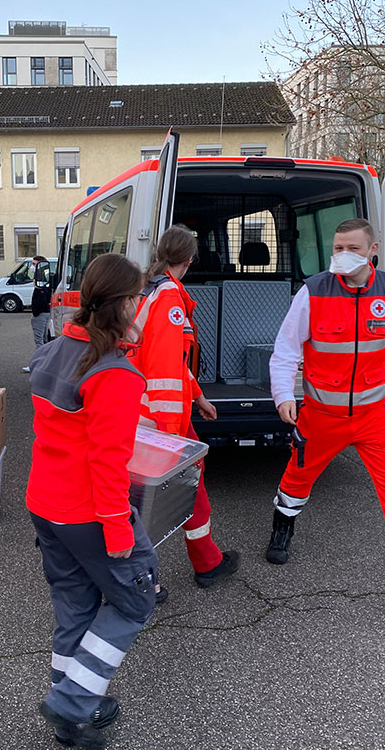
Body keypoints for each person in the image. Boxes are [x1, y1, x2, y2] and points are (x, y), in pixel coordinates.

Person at [264, 218, 385, 615]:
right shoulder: (313, 291)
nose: (342, 255)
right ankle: (282, 527)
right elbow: (286, 349)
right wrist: (284, 393)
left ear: (373, 250)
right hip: (322, 414)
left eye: (352, 248)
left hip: (377, 414)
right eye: (337, 248)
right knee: (299, 475)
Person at [27, 254, 157, 749]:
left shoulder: (54, 350)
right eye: (138, 297)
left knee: (75, 603)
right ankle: (73, 701)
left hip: (45, 502)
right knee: (136, 599)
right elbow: (108, 465)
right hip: (88, 512)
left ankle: (71, 700)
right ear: (125, 304)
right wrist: (119, 532)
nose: (140, 304)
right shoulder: (115, 375)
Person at [129, 225, 240, 595]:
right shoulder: (169, 300)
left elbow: (174, 365)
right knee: (155, 504)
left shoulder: (151, 291)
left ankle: (206, 561)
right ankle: (144, 580)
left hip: (147, 414)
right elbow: (163, 373)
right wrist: (171, 434)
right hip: (157, 420)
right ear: (190, 260)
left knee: (189, 491)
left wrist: (198, 397)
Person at [22, 255, 52, 373]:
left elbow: (42, 298)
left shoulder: (42, 280)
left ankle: (38, 365)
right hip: (45, 312)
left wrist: (36, 311)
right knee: (44, 340)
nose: (32, 267)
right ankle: (44, 364)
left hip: (40, 313)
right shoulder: (44, 278)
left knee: (39, 340)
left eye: (34, 264)